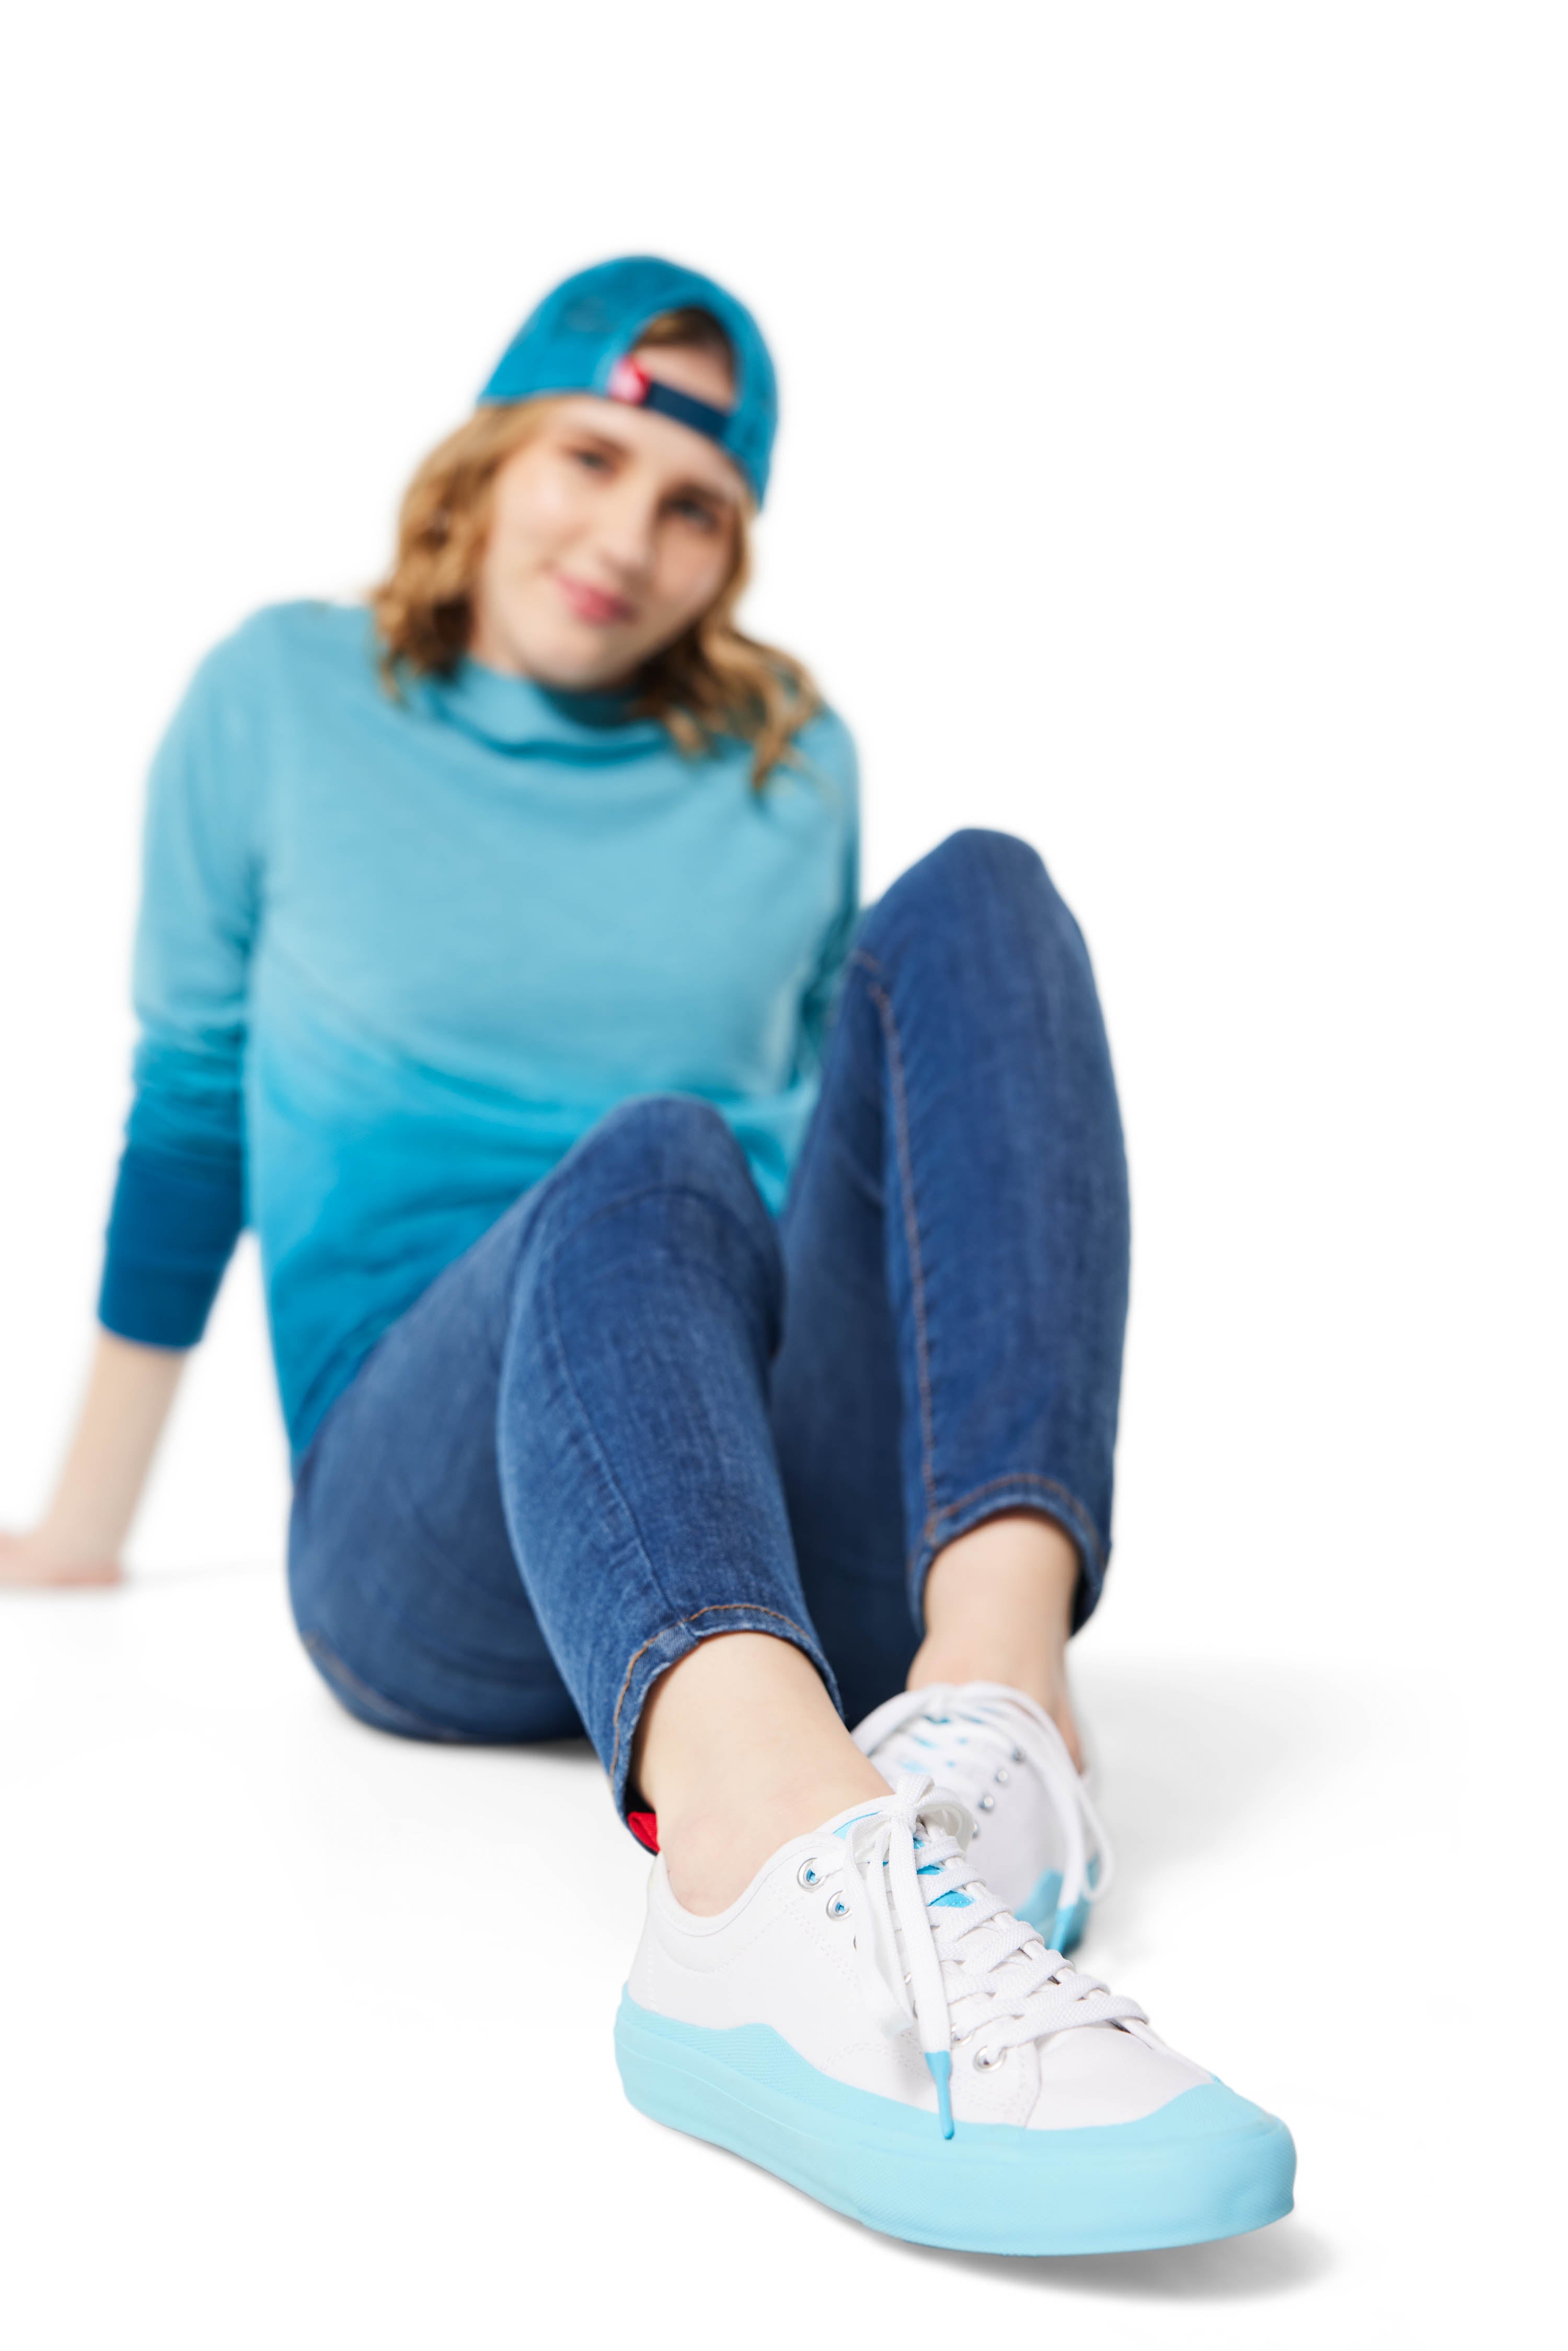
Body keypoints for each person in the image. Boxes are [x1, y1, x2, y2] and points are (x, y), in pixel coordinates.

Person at [1, 255, 1294, 2254]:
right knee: (656, 1151)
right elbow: (189, 1124)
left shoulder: (785, 765)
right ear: (494, 451)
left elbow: (857, 1174)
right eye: (592, 458)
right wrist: (84, 1520)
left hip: (744, 1479)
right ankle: (753, 1891)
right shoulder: (278, 697)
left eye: (696, 505)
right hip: (421, 1516)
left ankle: (1005, 1708)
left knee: (983, 901)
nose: (629, 535)